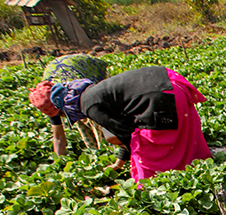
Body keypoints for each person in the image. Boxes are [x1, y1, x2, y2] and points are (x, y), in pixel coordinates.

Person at [48, 66, 212, 182]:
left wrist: (129, 160)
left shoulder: (89, 105)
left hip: (161, 96)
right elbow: (125, 127)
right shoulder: (95, 91)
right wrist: (119, 162)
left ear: (68, 106)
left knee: (149, 151)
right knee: (184, 134)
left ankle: (158, 183)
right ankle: (197, 169)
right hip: (171, 84)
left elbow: (125, 135)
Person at [29, 54, 108, 156]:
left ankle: (111, 151)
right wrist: (59, 160)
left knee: (100, 119)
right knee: (79, 121)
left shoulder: (74, 93)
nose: (62, 116)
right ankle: (96, 152)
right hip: (63, 72)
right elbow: (58, 136)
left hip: (87, 69)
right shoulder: (47, 102)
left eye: (62, 113)